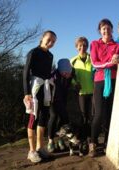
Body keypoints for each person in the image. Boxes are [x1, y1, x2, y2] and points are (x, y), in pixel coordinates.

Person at [89, 18, 119, 157]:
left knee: (111, 113)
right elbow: (95, 64)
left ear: (112, 30)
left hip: (115, 81)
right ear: (100, 30)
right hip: (100, 81)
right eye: (103, 28)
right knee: (98, 114)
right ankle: (93, 143)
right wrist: (110, 63)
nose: (106, 30)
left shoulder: (117, 46)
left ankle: (108, 143)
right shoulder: (94, 44)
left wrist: (117, 61)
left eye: (108, 28)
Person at [23, 30, 57, 163]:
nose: (50, 43)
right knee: (33, 118)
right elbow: (25, 73)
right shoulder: (33, 52)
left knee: (43, 117)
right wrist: (26, 93)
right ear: (42, 38)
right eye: (49, 39)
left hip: (45, 88)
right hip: (34, 89)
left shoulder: (50, 55)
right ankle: (31, 151)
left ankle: (40, 148)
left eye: (53, 41)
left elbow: (47, 74)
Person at [70, 36, 94, 149]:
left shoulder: (92, 58)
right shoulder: (73, 60)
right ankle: (84, 139)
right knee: (84, 116)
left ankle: (91, 139)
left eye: (84, 45)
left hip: (93, 91)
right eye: (80, 45)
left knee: (92, 116)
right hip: (81, 93)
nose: (82, 47)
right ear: (76, 47)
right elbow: (70, 76)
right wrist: (75, 83)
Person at [47, 59, 73, 153]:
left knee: (65, 119)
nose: (66, 74)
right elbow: (48, 89)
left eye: (68, 72)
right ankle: (50, 141)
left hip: (62, 100)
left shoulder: (70, 74)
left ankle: (60, 139)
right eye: (64, 72)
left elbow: (71, 82)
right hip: (52, 101)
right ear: (60, 70)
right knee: (53, 117)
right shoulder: (53, 75)